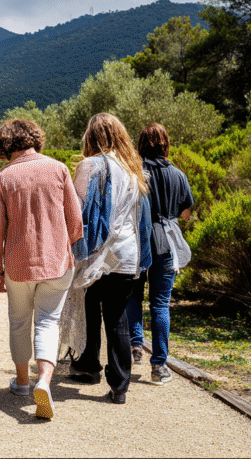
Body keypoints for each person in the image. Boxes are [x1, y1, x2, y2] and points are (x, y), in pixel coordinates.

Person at [0, 119, 83, 420]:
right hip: (56, 263)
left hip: (18, 263)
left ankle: (22, 382)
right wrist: (59, 244)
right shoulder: (59, 169)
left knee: (19, 321)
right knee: (48, 322)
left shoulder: (2, 178)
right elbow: (76, 222)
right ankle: (44, 379)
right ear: (34, 139)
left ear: (4, 145)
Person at [68, 113, 151, 405]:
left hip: (96, 253)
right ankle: (119, 386)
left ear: (91, 137)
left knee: (90, 307)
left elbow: (76, 212)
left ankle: (88, 366)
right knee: (118, 318)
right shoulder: (134, 168)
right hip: (128, 254)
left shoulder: (90, 166)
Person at [127, 123, 194, 385]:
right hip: (165, 242)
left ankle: (135, 344)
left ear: (140, 144)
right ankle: (159, 366)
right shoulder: (178, 174)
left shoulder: (135, 172)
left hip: (137, 241)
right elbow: (186, 212)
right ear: (166, 144)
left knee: (133, 295)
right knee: (160, 304)